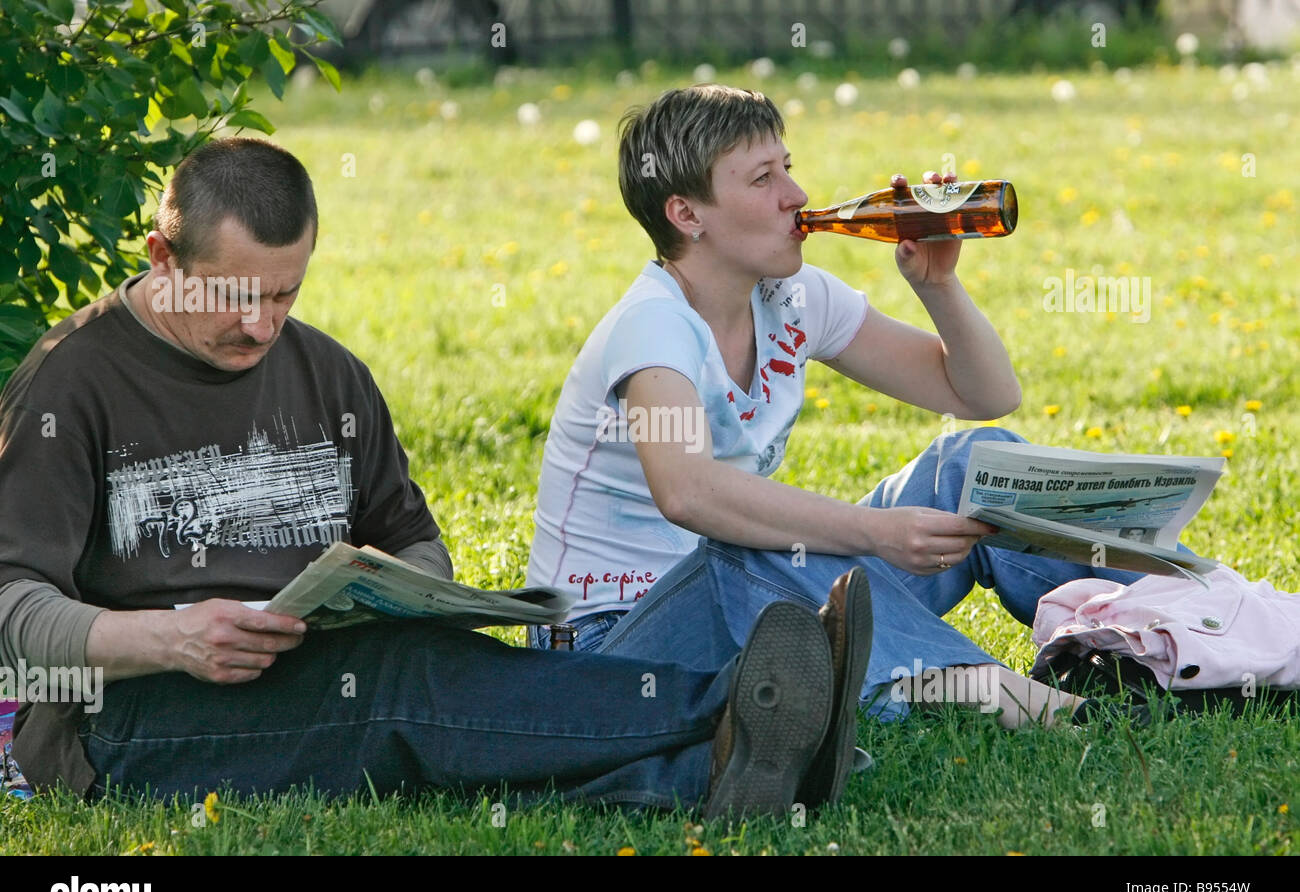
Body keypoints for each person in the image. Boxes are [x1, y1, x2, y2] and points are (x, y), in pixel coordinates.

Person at [0, 137, 873, 818]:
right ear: (161, 255)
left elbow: (410, 537)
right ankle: (742, 704)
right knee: (404, 693)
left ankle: (718, 774)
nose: (263, 327)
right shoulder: (71, 382)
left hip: (317, 673)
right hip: (128, 725)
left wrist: (402, 590)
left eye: (286, 295)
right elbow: (10, 609)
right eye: (233, 299)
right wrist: (174, 638)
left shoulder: (325, 373)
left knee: (434, 697)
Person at [527, 84, 1150, 728]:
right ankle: (1019, 703)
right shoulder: (653, 325)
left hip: (761, 595)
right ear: (688, 214)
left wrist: (937, 285)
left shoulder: (793, 298)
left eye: (788, 168)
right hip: (614, 646)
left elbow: (984, 395)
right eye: (763, 178)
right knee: (739, 551)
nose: (796, 197)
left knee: (966, 467)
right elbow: (690, 494)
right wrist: (875, 533)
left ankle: (1175, 632)